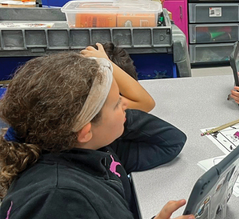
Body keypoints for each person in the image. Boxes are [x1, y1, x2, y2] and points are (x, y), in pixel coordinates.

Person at [0, 53, 191, 219]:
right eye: (117, 103)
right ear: (85, 131)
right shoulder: (60, 200)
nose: (127, 105)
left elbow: (170, 141)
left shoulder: (91, 147)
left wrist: (114, 114)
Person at [81, 42, 156, 112]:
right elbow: (146, 103)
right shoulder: (99, 104)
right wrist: (105, 62)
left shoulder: (88, 102)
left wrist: (104, 62)